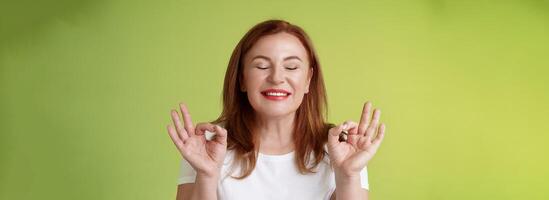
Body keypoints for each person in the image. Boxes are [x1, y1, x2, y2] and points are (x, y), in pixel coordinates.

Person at [166, 19, 386, 200]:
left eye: (291, 67)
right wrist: (206, 175)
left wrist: (348, 175)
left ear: (308, 79)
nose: (277, 78)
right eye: (262, 66)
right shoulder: (206, 146)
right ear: (242, 78)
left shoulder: (340, 149)